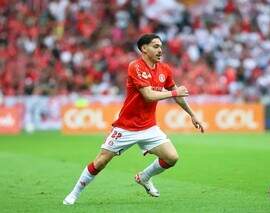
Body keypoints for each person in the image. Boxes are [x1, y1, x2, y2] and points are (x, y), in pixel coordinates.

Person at [63, 33, 204, 205]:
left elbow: (178, 97)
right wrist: (174, 92)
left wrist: (192, 114)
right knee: (101, 161)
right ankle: (74, 193)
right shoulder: (135, 66)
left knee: (172, 157)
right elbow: (149, 96)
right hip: (126, 127)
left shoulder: (165, 69)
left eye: (160, 46)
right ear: (144, 48)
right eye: (155, 46)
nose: (160, 50)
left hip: (149, 127)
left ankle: (144, 177)